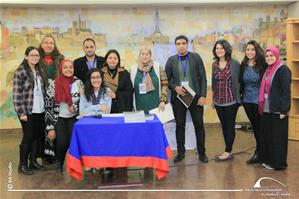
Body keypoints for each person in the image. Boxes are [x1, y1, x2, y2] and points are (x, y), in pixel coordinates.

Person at [165, 35, 208, 163]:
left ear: (187, 44)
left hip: (195, 97)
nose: (181, 45)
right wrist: (175, 87)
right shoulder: (171, 60)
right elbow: (166, 81)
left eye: (183, 43)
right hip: (179, 97)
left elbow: (203, 78)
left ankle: (202, 153)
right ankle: (180, 152)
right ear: (176, 46)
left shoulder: (196, 57)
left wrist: (203, 96)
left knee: (199, 125)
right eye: (178, 43)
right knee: (180, 125)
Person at [13, 46, 48, 175]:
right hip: (27, 110)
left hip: (40, 109)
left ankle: (32, 162)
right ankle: (22, 165)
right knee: (28, 137)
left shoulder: (40, 70)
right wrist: (21, 112)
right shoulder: (20, 72)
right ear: (26, 56)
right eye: (32, 55)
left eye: (37, 55)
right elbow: (17, 94)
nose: (35, 57)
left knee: (37, 136)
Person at [45, 59, 83, 172]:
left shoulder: (78, 82)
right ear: (61, 69)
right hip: (59, 117)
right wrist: (50, 127)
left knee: (73, 141)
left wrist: (75, 107)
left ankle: (73, 164)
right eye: (65, 67)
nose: (68, 69)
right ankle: (59, 162)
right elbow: (48, 106)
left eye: (70, 67)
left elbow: (84, 101)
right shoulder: (54, 83)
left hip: (74, 117)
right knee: (62, 142)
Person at [259, 47, 291, 170]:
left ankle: (279, 163)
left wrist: (284, 110)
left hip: (278, 110)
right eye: (267, 56)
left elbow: (286, 92)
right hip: (267, 108)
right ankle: (270, 161)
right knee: (269, 136)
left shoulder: (283, 70)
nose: (269, 58)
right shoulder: (267, 70)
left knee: (278, 138)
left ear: (277, 56)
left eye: (271, 55)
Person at [211, 39, 241, 161]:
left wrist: (240, 98)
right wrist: (213, 99)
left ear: (226, 49)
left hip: (231, 101)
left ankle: (228, 151)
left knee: (229, 125)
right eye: (217, 48)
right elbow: (214, 83)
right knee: (224, 126)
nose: (219, 50)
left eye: (221, 48)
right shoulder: (214, 65)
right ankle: (228, 149)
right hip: (218, 101)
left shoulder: (234, 64)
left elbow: (239, 82)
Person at [239, 40, 266, 164]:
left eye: (252, 49)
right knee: (255, 127)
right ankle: (260, 152)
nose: (250, 52)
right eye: (248, 49)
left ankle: (260, 153)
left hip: (259, 101)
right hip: (247, 101)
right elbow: (241, 82)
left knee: (261, 128)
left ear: (257, 51)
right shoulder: (243, 64)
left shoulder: (262, 64)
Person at [130, 47, 168, 113]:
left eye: (147, 54)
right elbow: (129, 89)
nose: (145, 56)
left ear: (150, 56)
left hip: (156, 106)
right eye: (142, 54)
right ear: (139, 56)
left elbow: (165, 84)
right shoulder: (132, 69)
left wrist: (162, 101)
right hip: (138, 106)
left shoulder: (158, 67)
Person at [101, 49, 134, 113]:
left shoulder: (124, 73)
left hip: (120, 107)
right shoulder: (100, 73)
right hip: (104, 107)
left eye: (115, 58)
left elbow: (130, 92)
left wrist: (116, 95)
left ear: (118, 60)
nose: (112, 60)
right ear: (106, 60)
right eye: (110, 58)